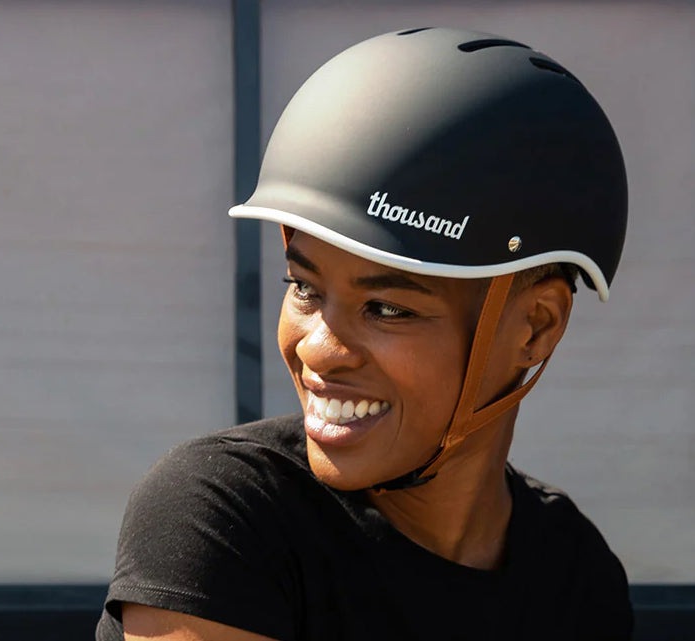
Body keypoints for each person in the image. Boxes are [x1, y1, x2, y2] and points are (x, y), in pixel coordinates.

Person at [97, 27, 632, 641]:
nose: (318, 349)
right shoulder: (223, 515)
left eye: (387, 307)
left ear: (535, 326)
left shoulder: (574, 574)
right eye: (304, 288)